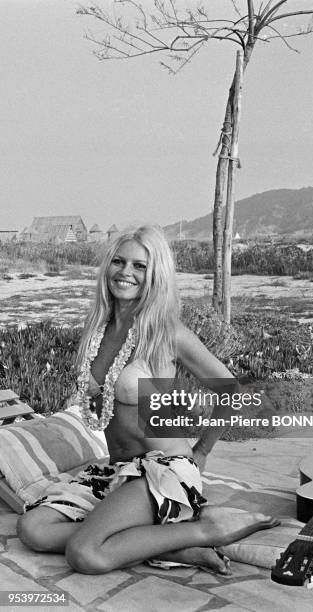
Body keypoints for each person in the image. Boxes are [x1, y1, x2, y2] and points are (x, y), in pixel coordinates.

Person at [17, 226, 278, 575]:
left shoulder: (166, 332)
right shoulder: (96, 327)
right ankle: (177, 548)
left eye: (140, 266)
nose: (126, 272)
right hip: (114, 469)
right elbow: (96, 398)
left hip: (162, 468)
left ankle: (207, 529)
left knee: (86, 554)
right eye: (119, 262)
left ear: (156, 274)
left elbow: (230, 391)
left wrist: (201, 452)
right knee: (32, 529)